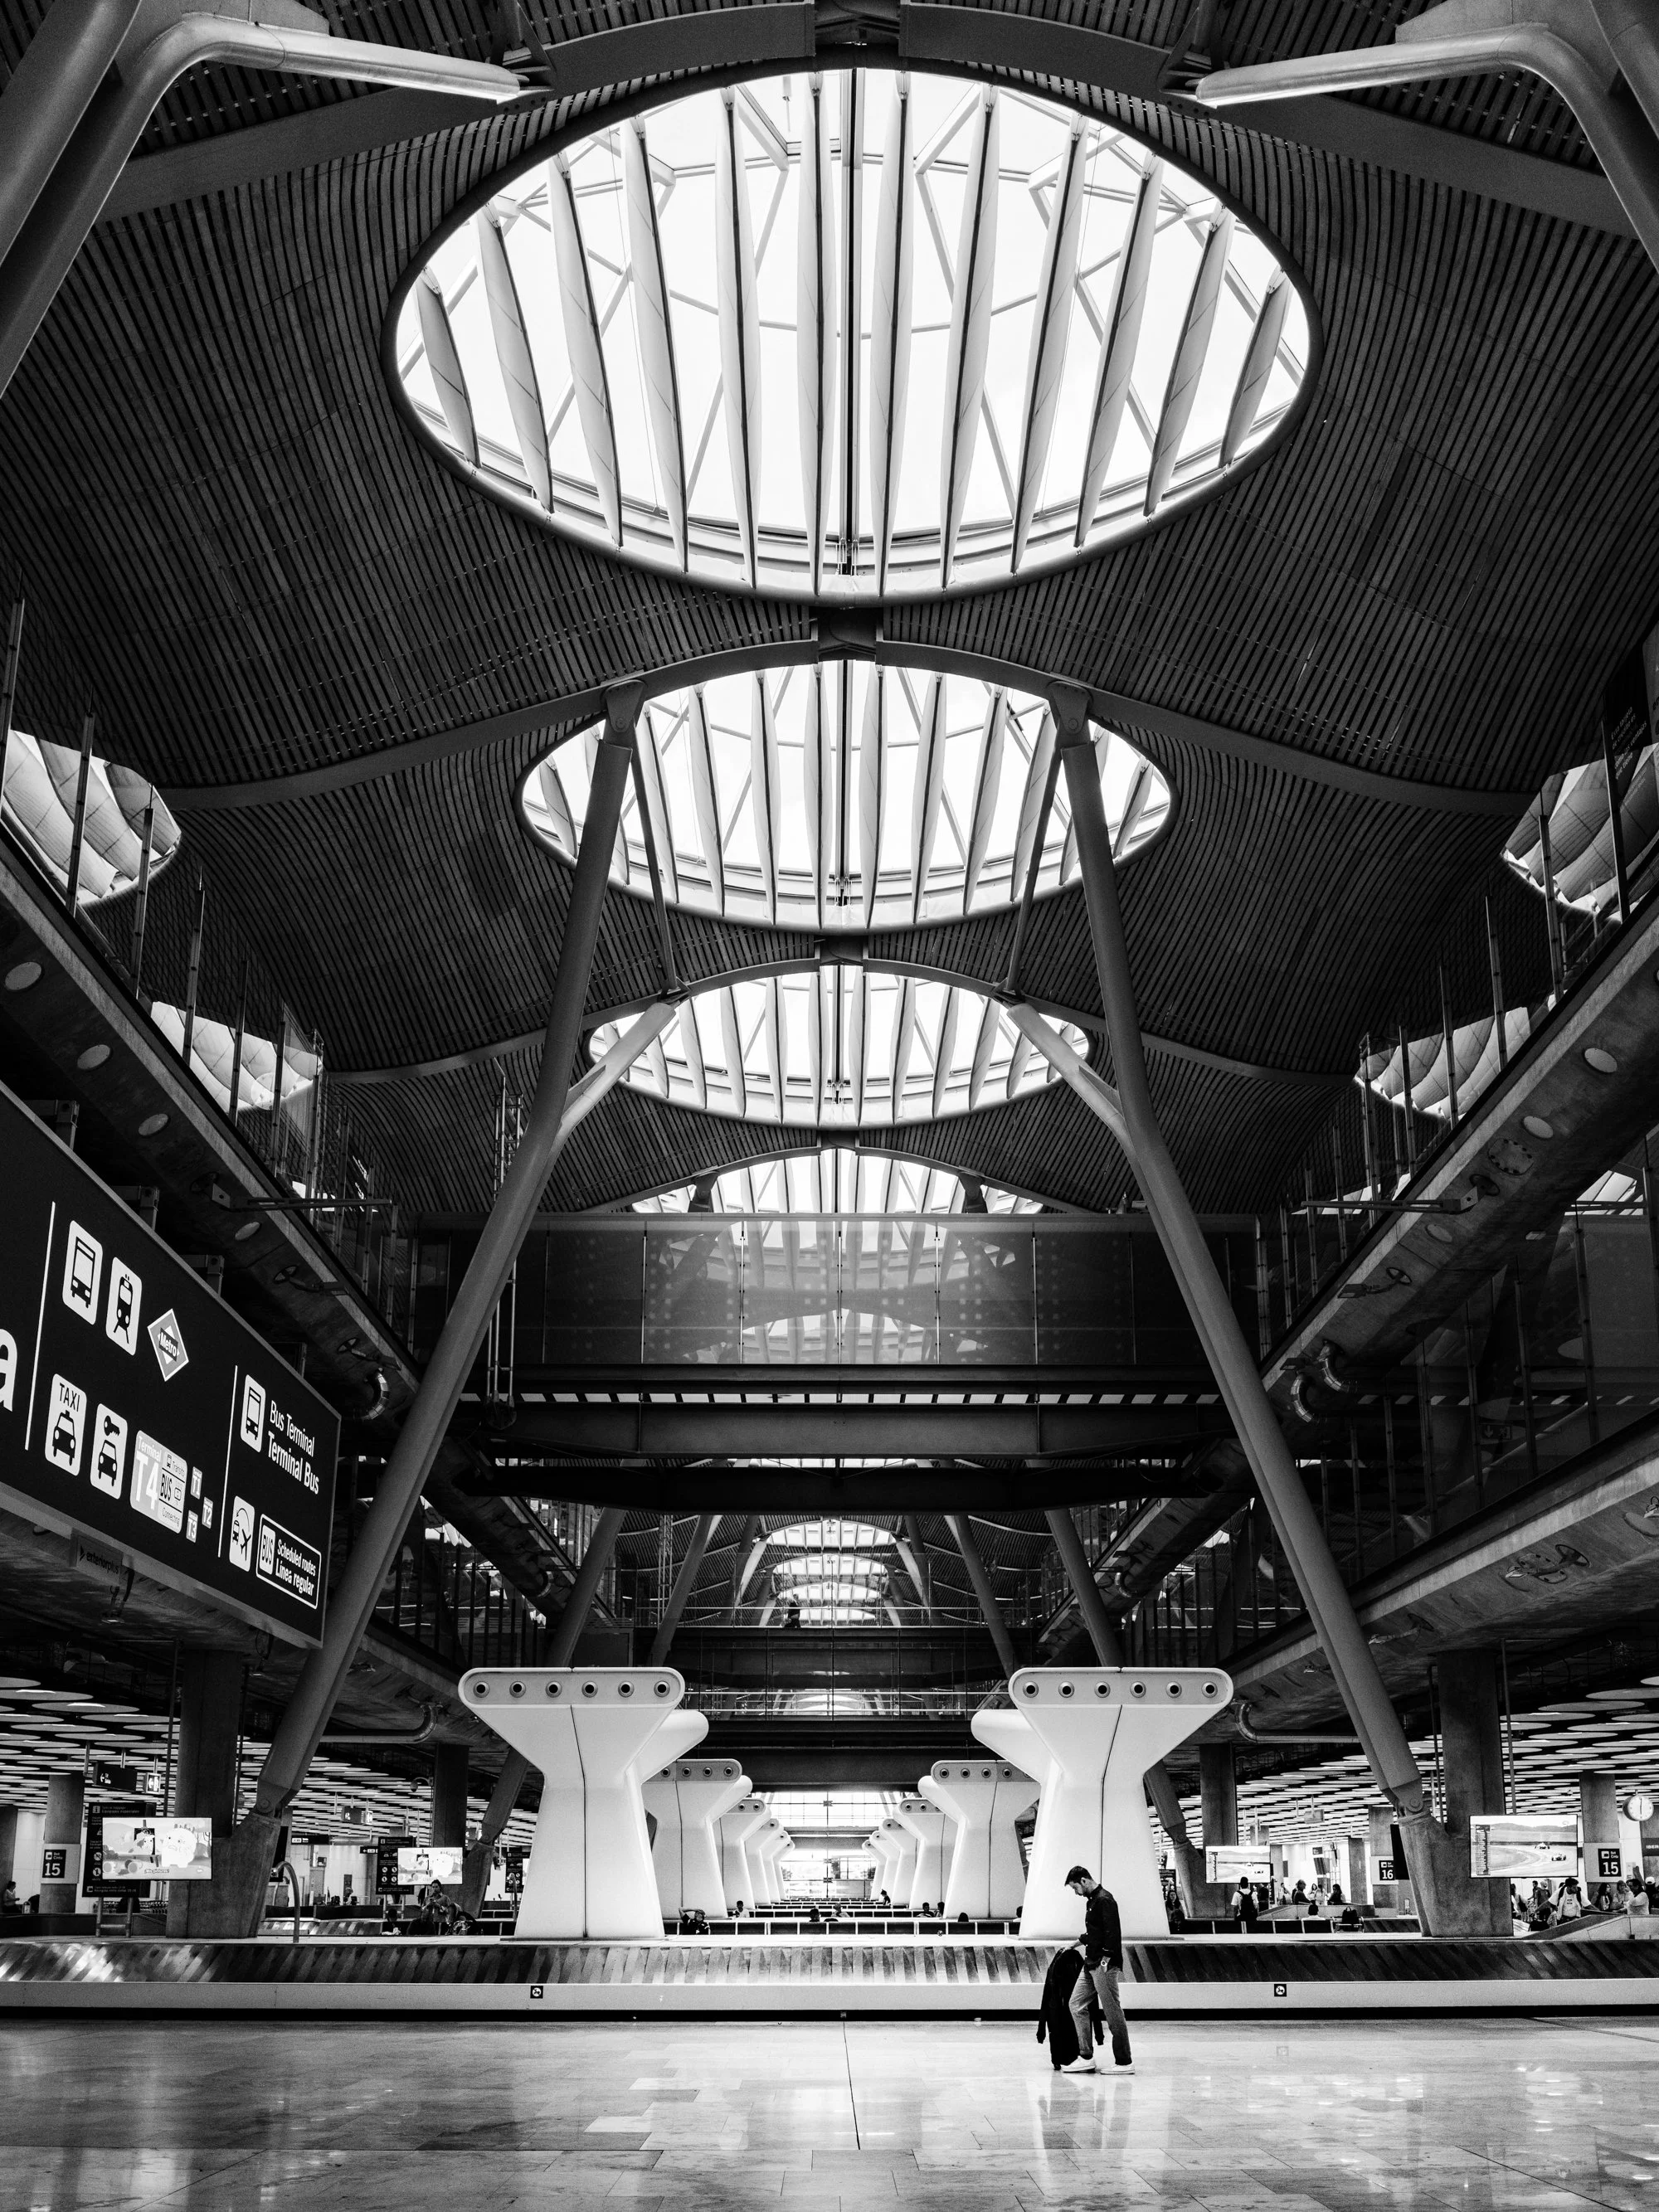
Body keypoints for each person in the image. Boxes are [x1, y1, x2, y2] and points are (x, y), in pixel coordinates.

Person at [1059, 1864, 1133, 2077]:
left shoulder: (1105, 1900)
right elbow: (1094, 1932)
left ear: (1083, 1881)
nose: (1075, 1892)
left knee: (1112, 2012)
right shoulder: (1092, 1901)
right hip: (1090, 1963)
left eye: (1075, 1888)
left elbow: (1112, 1934)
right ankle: (1085, 2056)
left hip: (1102, 1965)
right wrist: (1075, 1943)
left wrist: (1104, 1963)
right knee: (1076, 2004)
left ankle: (1124, 2061)